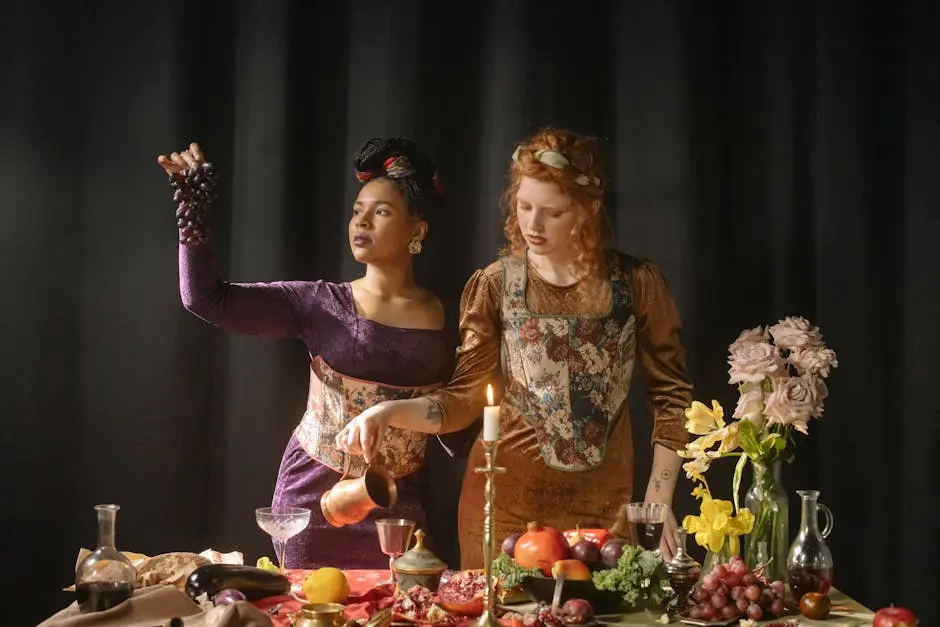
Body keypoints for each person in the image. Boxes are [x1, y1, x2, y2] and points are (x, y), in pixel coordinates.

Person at [335, 128, 693, 565]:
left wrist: (657, 502)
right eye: (524, 207)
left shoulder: (636, 284)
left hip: (605, 511)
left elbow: (672, 397)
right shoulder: (496, 284)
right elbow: (465, 398)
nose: (533, 225)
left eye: (553, 212)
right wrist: (388, 412)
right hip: (502, 510)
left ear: (588, 209)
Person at [157, 137, 458, 569]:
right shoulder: (320, 303)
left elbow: (464, 407)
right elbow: (205, 299)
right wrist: (193, 217)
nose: (362, 221)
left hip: (402, 503)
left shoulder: (453, 317)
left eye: (382, 211)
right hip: (312, 500)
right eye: (358, 211)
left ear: (418, 230)